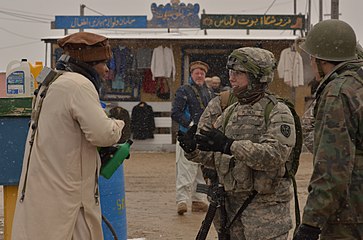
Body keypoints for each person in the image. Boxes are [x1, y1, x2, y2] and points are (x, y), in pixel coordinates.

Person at [11, 32, 125, 240]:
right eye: (102, 63)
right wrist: (118, 123)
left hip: (44, 190)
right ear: (89, 62)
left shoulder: (51, 81)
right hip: (68, 197)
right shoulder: (78, 85)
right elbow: (103, 134)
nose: (107, 69)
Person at [180, 47, 296, 239]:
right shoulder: (231, 112)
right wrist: (193, 150)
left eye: (238, 73)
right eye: (230, 72)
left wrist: (230, 145)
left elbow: (275, 155)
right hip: (230, 211)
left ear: (258, 77)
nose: (231, 78)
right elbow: (215, 157)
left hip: (264, 213)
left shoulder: (277, 111)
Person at [293, 19, 363, 240]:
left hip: (350, 214)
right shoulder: (358, 85)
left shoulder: (337, 93)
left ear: (320, 59)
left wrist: (311, 222)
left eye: (311, 57)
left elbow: (332, 167)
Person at [171, 60, 214, 215]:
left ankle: (198, 200)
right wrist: (190, 124)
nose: (200, 75)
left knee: (202, 170)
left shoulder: (209, 92)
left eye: (202, 73)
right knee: (185, 168)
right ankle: (182, 200)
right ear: (191, 74)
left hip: (204, 136)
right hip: (187, 136)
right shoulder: (184, 90)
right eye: (197, 72)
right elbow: (176, 112)